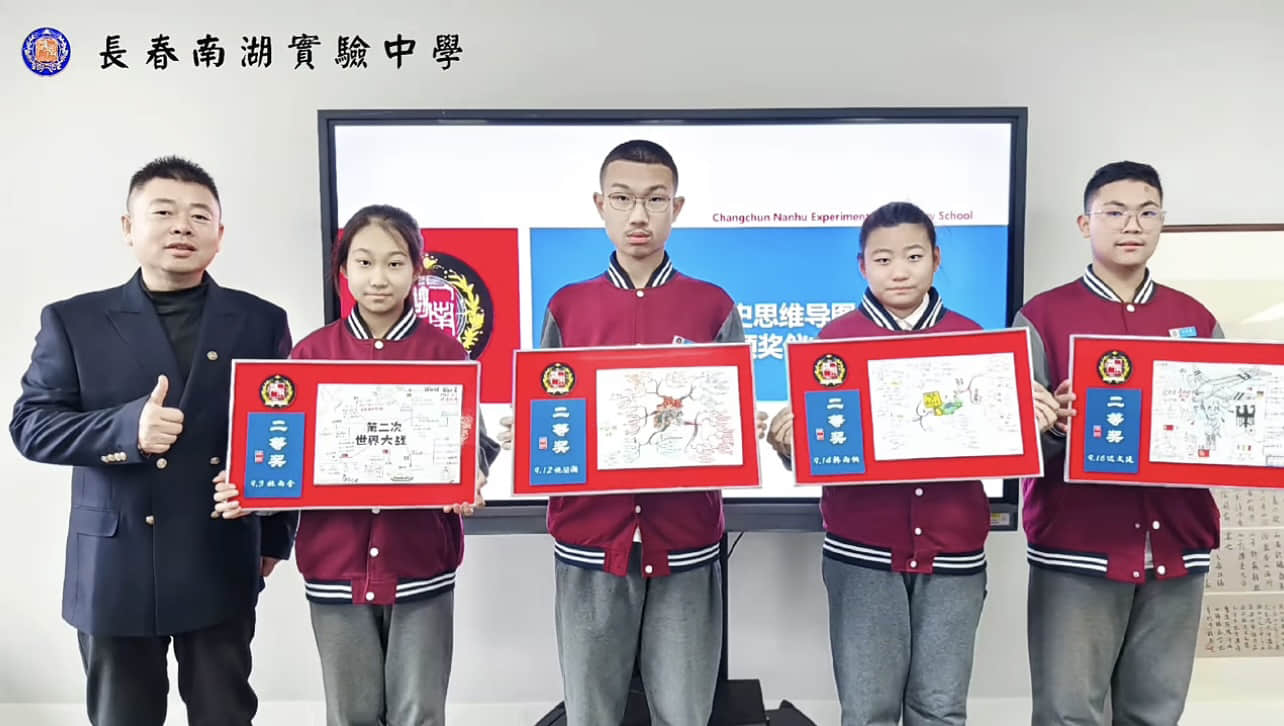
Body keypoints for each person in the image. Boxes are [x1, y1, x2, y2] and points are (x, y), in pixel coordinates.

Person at [10, 156, 295, 726]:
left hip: (218, 556)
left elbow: (283, 428)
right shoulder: (74, 320)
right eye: (163, 212)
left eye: (199, 216)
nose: (182, 226)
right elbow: (31, 425)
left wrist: (273, 532)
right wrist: (126, 430)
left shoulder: (260, 320)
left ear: (220, 234)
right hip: (115, 565)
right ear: (128, 228)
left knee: (225, 714)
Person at [499, 140, 768, 725]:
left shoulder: (712, 305)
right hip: (590, 538)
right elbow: (549, 405)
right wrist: (531, 429)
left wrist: (743, 427)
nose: (638, 215)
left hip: (686, 538)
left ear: (677, 207)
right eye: (622, 199)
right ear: (600, 205)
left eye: (655, 199)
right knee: (591, 712)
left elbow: (731, 413)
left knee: (685, 712)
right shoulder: (568, 306)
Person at [764, 201, 1063, 726]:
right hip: (862, 553)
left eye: (913, 256)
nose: (899, 271)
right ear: (863, 266)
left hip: (954, 554)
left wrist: (1031, 424)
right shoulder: (834, 343)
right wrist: (787, 444)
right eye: (883, 259)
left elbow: (1001, 445)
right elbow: (822, 450)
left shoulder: (977, 341)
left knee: (941, 708)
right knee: (868, 710)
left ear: (936, 258)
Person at [214, 204, 499, 726]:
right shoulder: (311, 354)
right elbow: (282, 449)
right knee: (350, 714)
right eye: (364, 262)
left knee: (420, 712)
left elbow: (474, 442)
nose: (378, 278)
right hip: (335, 562)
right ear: (343, 269)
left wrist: (471, 474)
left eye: (394, 263)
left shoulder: (446, 354)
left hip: (420, 561)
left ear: (417, 269)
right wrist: (249, 488)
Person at [1013, 161, 1222, 726]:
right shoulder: (1041, 316)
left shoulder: (1196, 319)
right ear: (1086, 224)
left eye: (1147, 212)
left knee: (1156, 713)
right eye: (1115, 212)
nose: (1132, 224)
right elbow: (1015, 444)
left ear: (1162, 223)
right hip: (1078, 547)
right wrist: (1056, 424)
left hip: (1178, 547)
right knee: (1066, 713)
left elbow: (1223, 433)